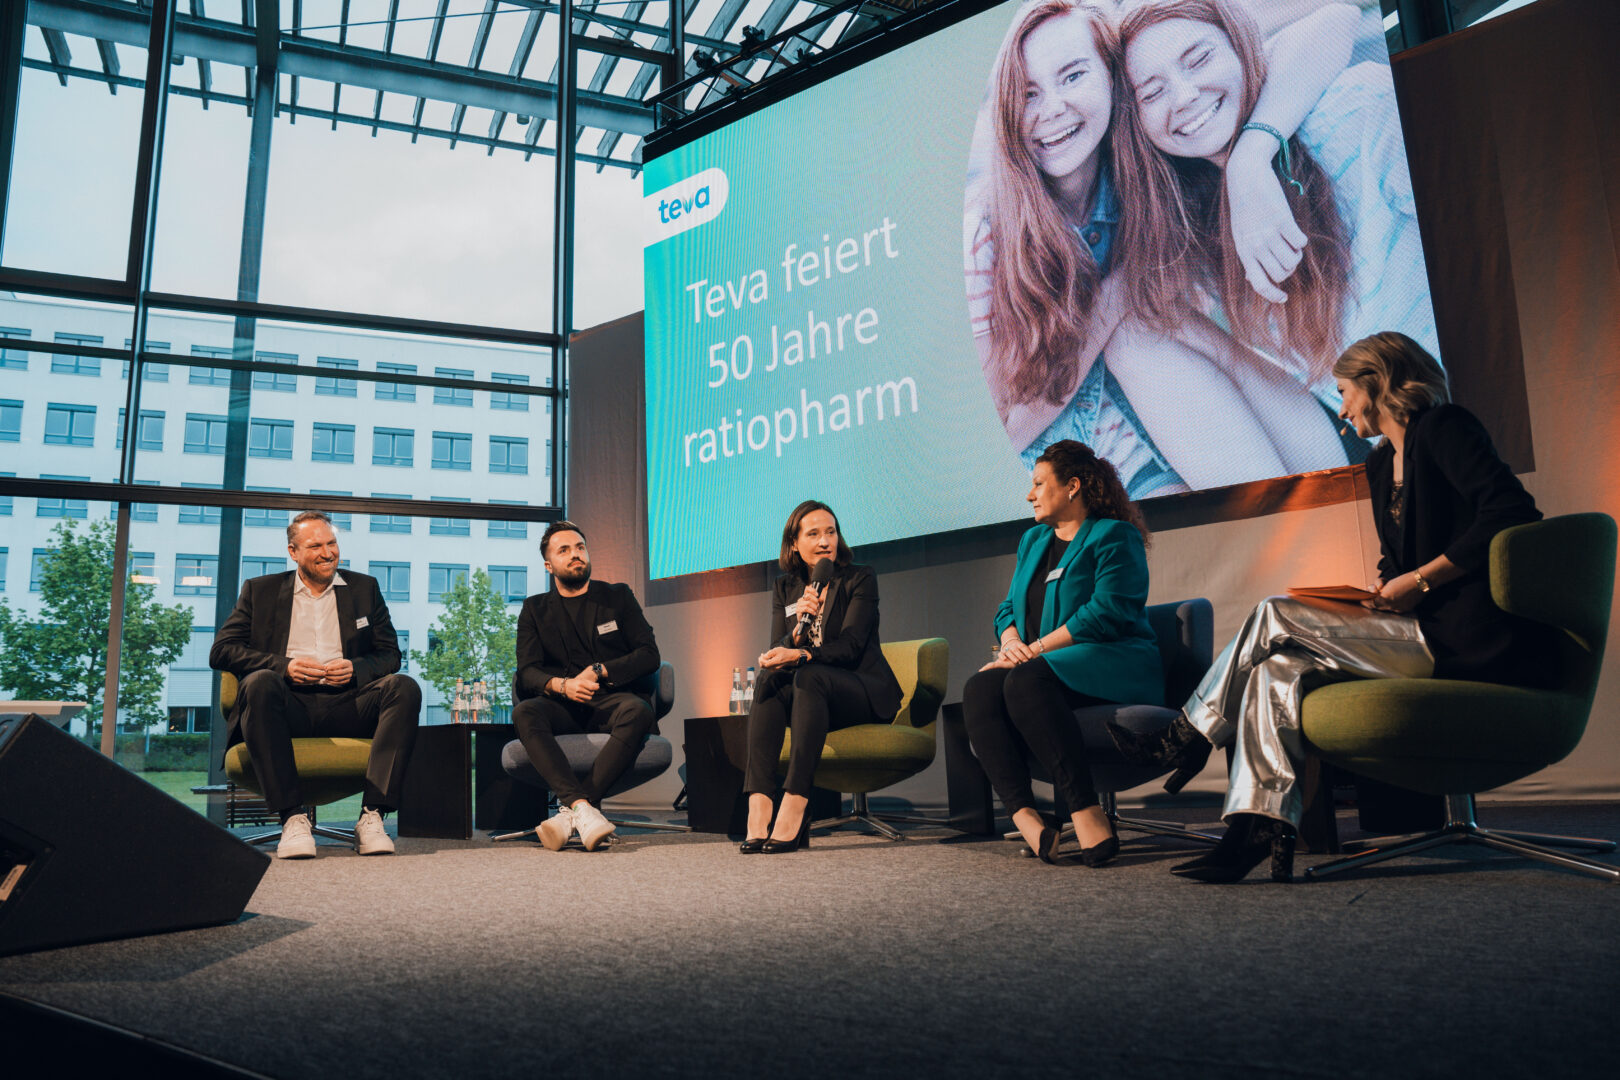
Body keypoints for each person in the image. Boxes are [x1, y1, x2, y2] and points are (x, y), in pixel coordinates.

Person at [1110, 332, 1552, 882]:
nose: (1339, 407)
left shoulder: (1445, 428)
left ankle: (1185, 738)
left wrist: (1421, 579)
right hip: (1412, 631)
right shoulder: (1378, 465)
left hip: (1462, 640)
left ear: (1377, 383)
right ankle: (1256, 830)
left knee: (1274, 611)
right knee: (1276, 671)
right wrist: (1386, 589)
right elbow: (1400, 562)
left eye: (1343, 391)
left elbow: (1512, 512)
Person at [966, 0, 1355, 495]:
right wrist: (1117, 295)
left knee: (1152, 334)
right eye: (1027, 93)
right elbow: (999, 427)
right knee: (1136, 334)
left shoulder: (1156, 150)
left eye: (1073, 76)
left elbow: (1334, 19)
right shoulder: (988, 232)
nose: (1052, 109)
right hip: (1080, 462)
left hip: (1203, 412)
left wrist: (1250, 157)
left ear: (1113, 80)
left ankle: (1334, 508)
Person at [1115, 0, 1439, 422]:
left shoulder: (1356, 111)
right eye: (1152, 92)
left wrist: (1250, 156)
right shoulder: (1196, 236)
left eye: (1200, 59)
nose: (1185, 96)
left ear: (1242, 48)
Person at [962, 440, 1163, 866]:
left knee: (1024, 678)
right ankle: (1028, 819)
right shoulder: (1033, 540)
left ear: (1072, 486)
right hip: (1043, 668)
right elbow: (1007, 607)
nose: (1029, 494)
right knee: (981, 687)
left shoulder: (1114, 535)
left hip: (1111, 662)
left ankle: (1084, 810)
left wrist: (1031, 652)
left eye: (1038, 484)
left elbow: (1106, 612)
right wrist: (1012, 643)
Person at [211, 510, 422, 859]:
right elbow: (222, 651)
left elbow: (389, 656)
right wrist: (285, 666)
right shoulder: (260, 591)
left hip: (347, 705)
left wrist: (355, 669)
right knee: (261, 682)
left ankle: (372, 817)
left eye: (332, 543)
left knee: (404, 686)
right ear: (293, 552)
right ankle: (292, 818)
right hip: (286, 705)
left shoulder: (364, 589)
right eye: (315, 546)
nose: (328, 553)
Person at [741, 501, 903, 854]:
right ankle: (759, 806)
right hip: (812, 696)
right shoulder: (786, 587)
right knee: (768, 681)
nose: (824, 540)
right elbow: (779, 646)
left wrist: (800, 653)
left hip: (861, 690)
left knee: (809, 674)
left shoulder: (860, 577)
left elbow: (851, 646)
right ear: (794, 544)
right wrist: (796, 635)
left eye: (830, 531)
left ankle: (796, 801)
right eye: (813, 534)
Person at [511, 521, 662, 852]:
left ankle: (572, 810)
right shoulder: (534, 609)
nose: (575, 554)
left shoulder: (617, 597)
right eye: (563, 550)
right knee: (525, 712)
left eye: (580, 547)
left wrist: (600, 669)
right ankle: (583, 808)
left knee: (638, 711)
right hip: (562, 705)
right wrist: (562, 686)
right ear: (549, 565)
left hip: (611, 699)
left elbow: (649, 655)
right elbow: (527, 672)